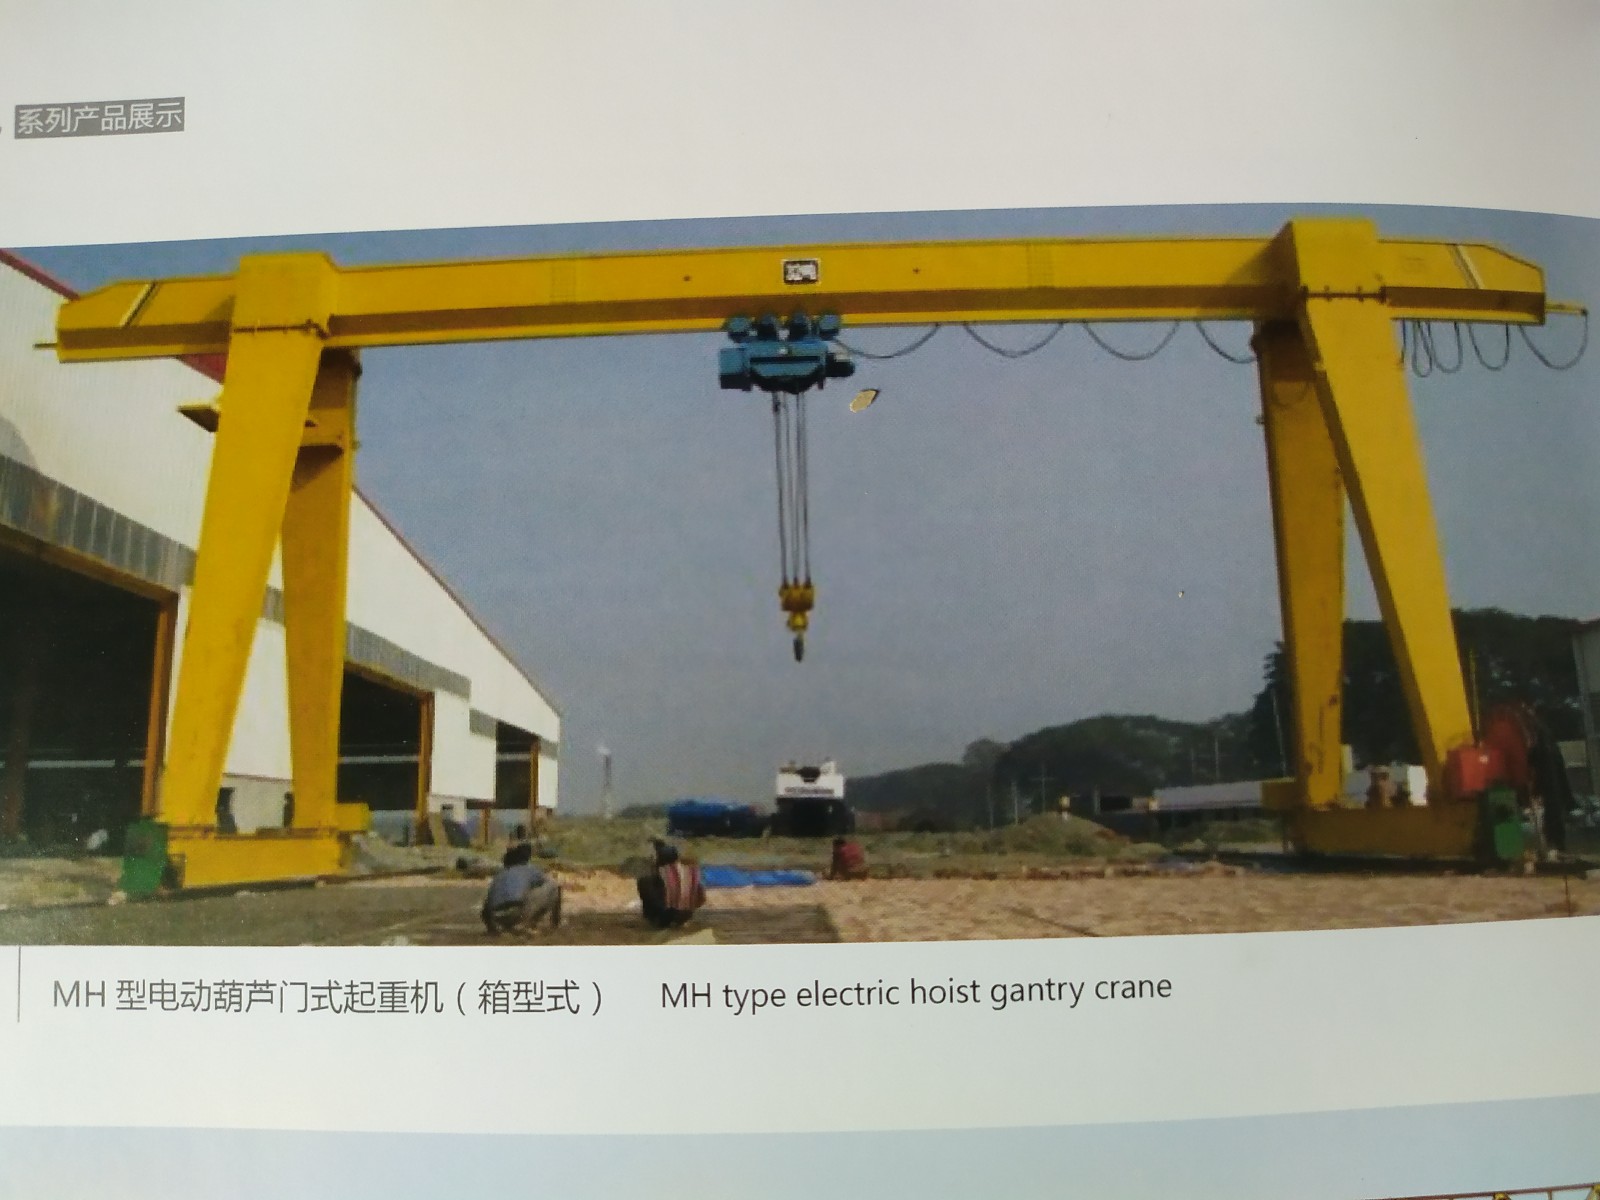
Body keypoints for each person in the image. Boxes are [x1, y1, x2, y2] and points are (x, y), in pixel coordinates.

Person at [481, 841, 562, 936]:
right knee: (553, 885)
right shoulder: (529, 869)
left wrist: (491, 927)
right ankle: (536, 923)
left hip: (497, 917)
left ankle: (508, 927)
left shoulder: (499, 875)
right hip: (518, 912)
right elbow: (546, 882)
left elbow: (486, 906)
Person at [637, 855, 705, 929]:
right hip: (685, 915)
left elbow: (651, 897)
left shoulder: (659, 874)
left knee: (645, 883)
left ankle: (655, 919)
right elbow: (701, 900)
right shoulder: (694, 874)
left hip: (663, 916)